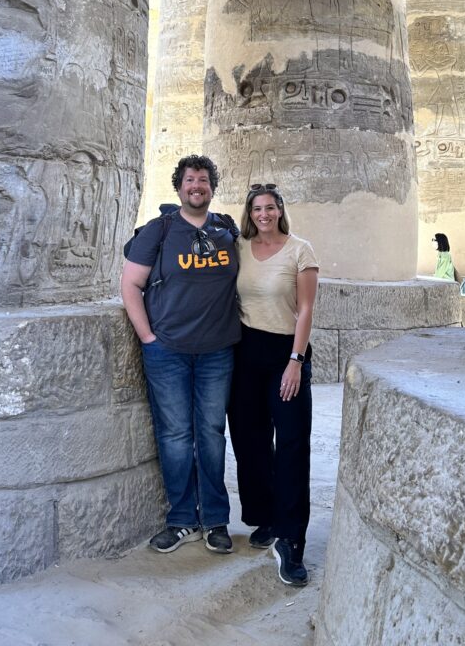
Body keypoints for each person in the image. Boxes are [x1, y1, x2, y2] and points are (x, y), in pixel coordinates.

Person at [121, 155, 240, 555]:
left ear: (211, 187)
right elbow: (130, 284)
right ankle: (182, 519)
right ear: (179, 186)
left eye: (203, 180)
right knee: (175, 436)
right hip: (168, 350)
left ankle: (216, 519)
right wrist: (148, 338)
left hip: (217, 351)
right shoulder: (160, 229)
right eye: (190, 180)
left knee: (210, 434)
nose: (197, 186)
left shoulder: (225, 229)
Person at [227, 184, 319, 587]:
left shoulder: (301, 250)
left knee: (293, 445)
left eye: (270, 207)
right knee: (249, 439)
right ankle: (264, 517)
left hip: (286, 352)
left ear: (280, 210)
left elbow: (305, 309)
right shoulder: (240, 247)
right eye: (257, 208)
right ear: (250, 214)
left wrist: (295, 362)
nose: (263, 214)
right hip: (246, 351)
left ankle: (291, 539)